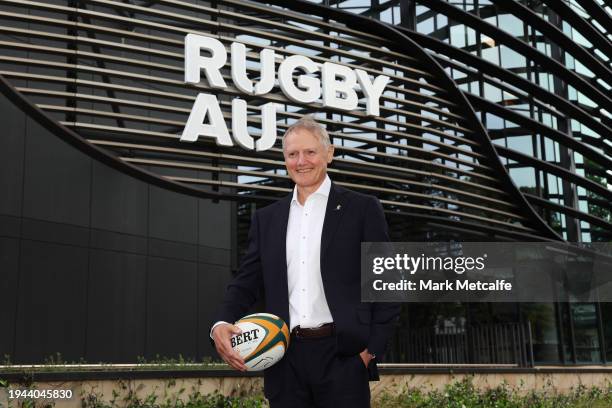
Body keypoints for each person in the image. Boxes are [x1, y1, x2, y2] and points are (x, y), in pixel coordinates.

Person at [211, 115, 400, 407]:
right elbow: (246, 281)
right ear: (284, 159)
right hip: (284, 360)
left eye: (310, 152)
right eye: (292, 154)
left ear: (329, 153)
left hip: (344, 358)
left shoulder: (361, 209)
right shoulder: (267, 219)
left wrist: (369, 352)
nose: (301, 161)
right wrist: (221, 322)